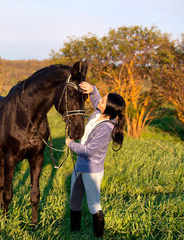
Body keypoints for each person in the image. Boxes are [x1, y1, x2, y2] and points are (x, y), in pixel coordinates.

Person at [65, 81, 126, 238]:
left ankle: (99, 236)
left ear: (109, 109)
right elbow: (95, 99)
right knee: (74, 200)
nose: (99, 101)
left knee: (93, 205)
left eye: (103, 101)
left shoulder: (107, 128)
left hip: (92, 171)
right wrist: (93, 90)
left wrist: (71, 144)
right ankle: (74, 233)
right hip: (80, 166)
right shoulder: (99, 113)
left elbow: (89, 151)